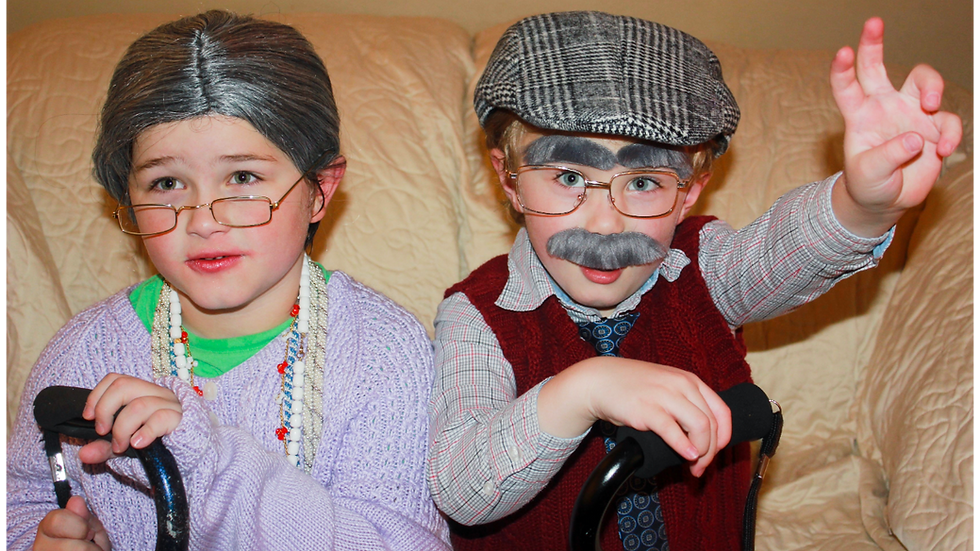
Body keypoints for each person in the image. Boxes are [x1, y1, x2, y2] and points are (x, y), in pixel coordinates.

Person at [427, 11, 962, 551]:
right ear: (509, 179)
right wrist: (584, 388)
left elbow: (786, 251)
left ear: (690, 192)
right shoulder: (477, 315)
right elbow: (462, 489)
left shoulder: (702, 270)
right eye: (569, 177)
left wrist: (864, 207)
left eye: (642, 182)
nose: (606, 223)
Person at [4, 11, 450, 551]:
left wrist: (205, 458)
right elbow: (21, 495)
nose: (203, 219)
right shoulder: (83, 351)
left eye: (242, 178)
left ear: (320, 190)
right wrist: (38, 539)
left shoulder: (383, 353)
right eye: (166, 182)